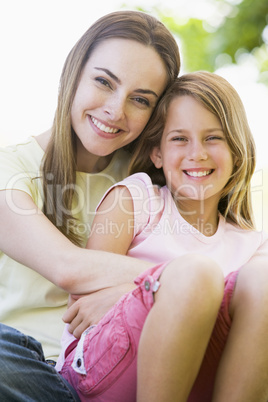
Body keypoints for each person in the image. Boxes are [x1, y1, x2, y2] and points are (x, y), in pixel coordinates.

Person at [0, 10, 181, 401]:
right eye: (104, 81)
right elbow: (68, 268)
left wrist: (134, 293)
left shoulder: (147, 184)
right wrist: (166, 283)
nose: (116, 111)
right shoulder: (9, 170)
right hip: (25, 368)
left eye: (140, 99)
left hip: (107, 367)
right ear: (74, 73)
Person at [58, 72, 268, 401]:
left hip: (199, 378)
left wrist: (135, 289)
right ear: (157, 153)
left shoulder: (252, 246)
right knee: (196, 272)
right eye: (180, 139)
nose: (197, 153)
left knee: (263, 280)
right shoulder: (137, 200)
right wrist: (166, 288)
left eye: (213, 138)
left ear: (236, 152)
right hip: (100, 369)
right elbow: (83, 308)